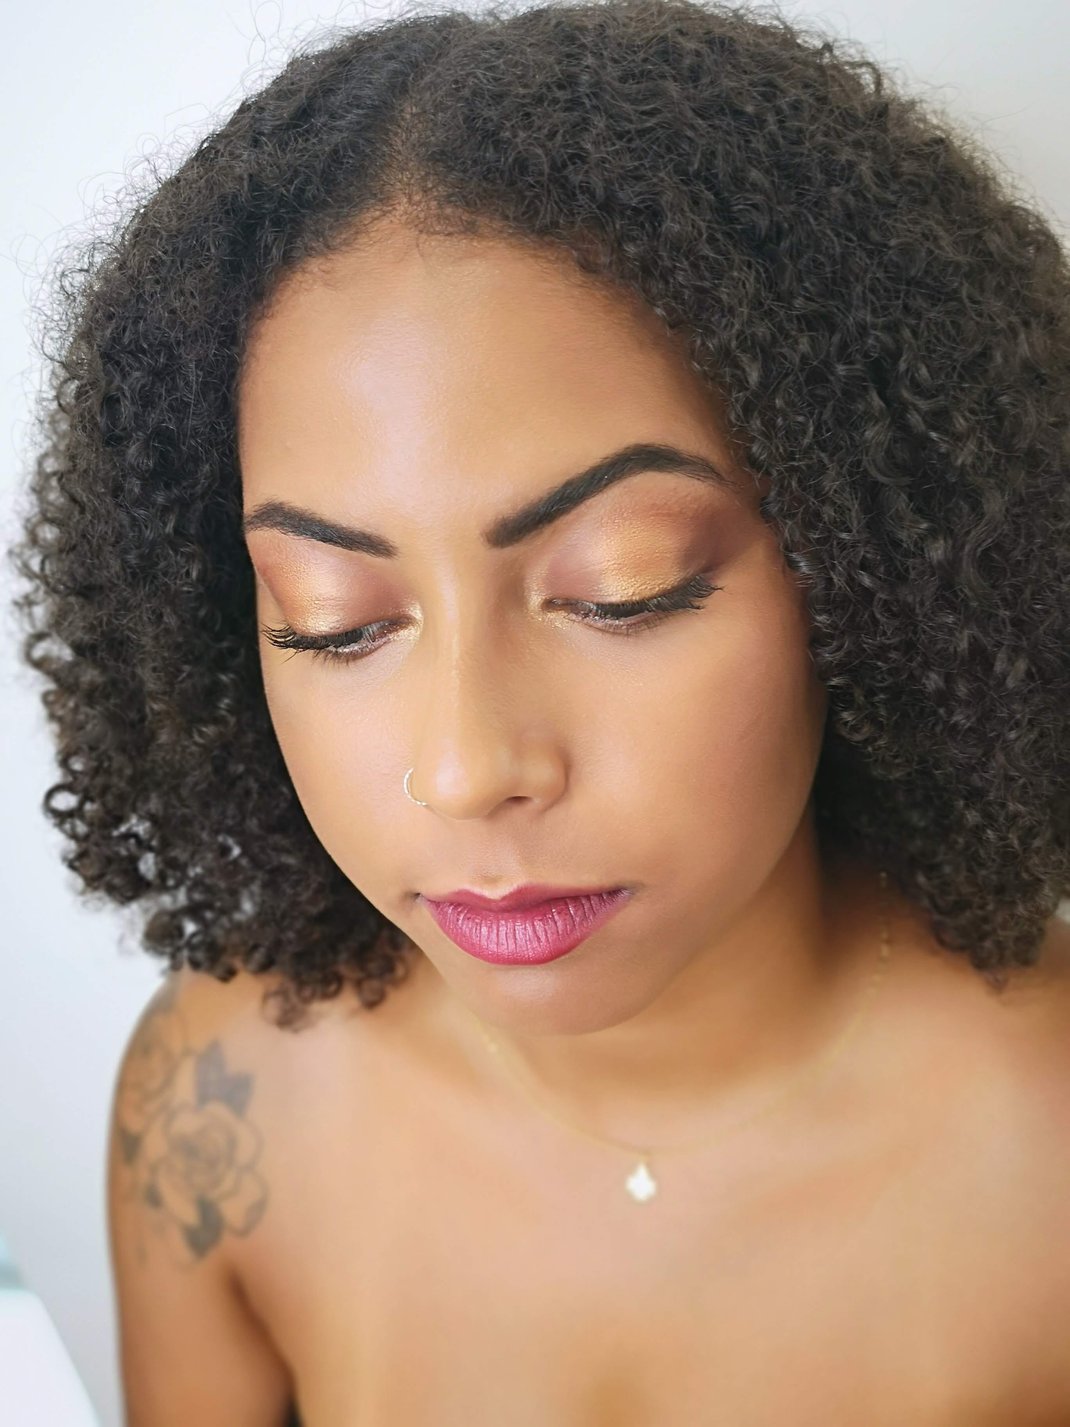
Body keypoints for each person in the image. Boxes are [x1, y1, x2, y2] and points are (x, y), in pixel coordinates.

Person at [10, 0, 1069, 1422]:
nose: (466, 768)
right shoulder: (221, 1103)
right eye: (337, 619)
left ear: (868, 559)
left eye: (624, 589)